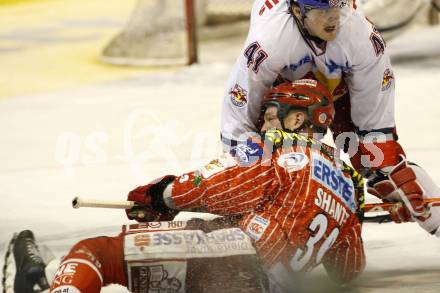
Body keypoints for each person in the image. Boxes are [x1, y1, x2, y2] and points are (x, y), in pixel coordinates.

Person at [7, 80, 365, 293]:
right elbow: (348, 271)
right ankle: (50, 279)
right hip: (268, 286)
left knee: (95, 253)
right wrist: (353, 214)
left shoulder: (285, 151)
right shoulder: (349, 185)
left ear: (297, 119)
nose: (265, 126)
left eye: (271, 117)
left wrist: (160, 195)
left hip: (237, 258)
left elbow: (215, 187)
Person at [220, 0, 440, 235]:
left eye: (337, 7)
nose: (334, 17)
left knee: (383, 167)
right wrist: (244, 176)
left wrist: (390, 173)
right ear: (297, 12)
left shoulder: (362, 37)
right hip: (284, 92)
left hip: (342, 90)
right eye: (323, 11)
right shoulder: (268, 41)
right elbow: (239, 115)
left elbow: (376, 128)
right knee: (272, 158)